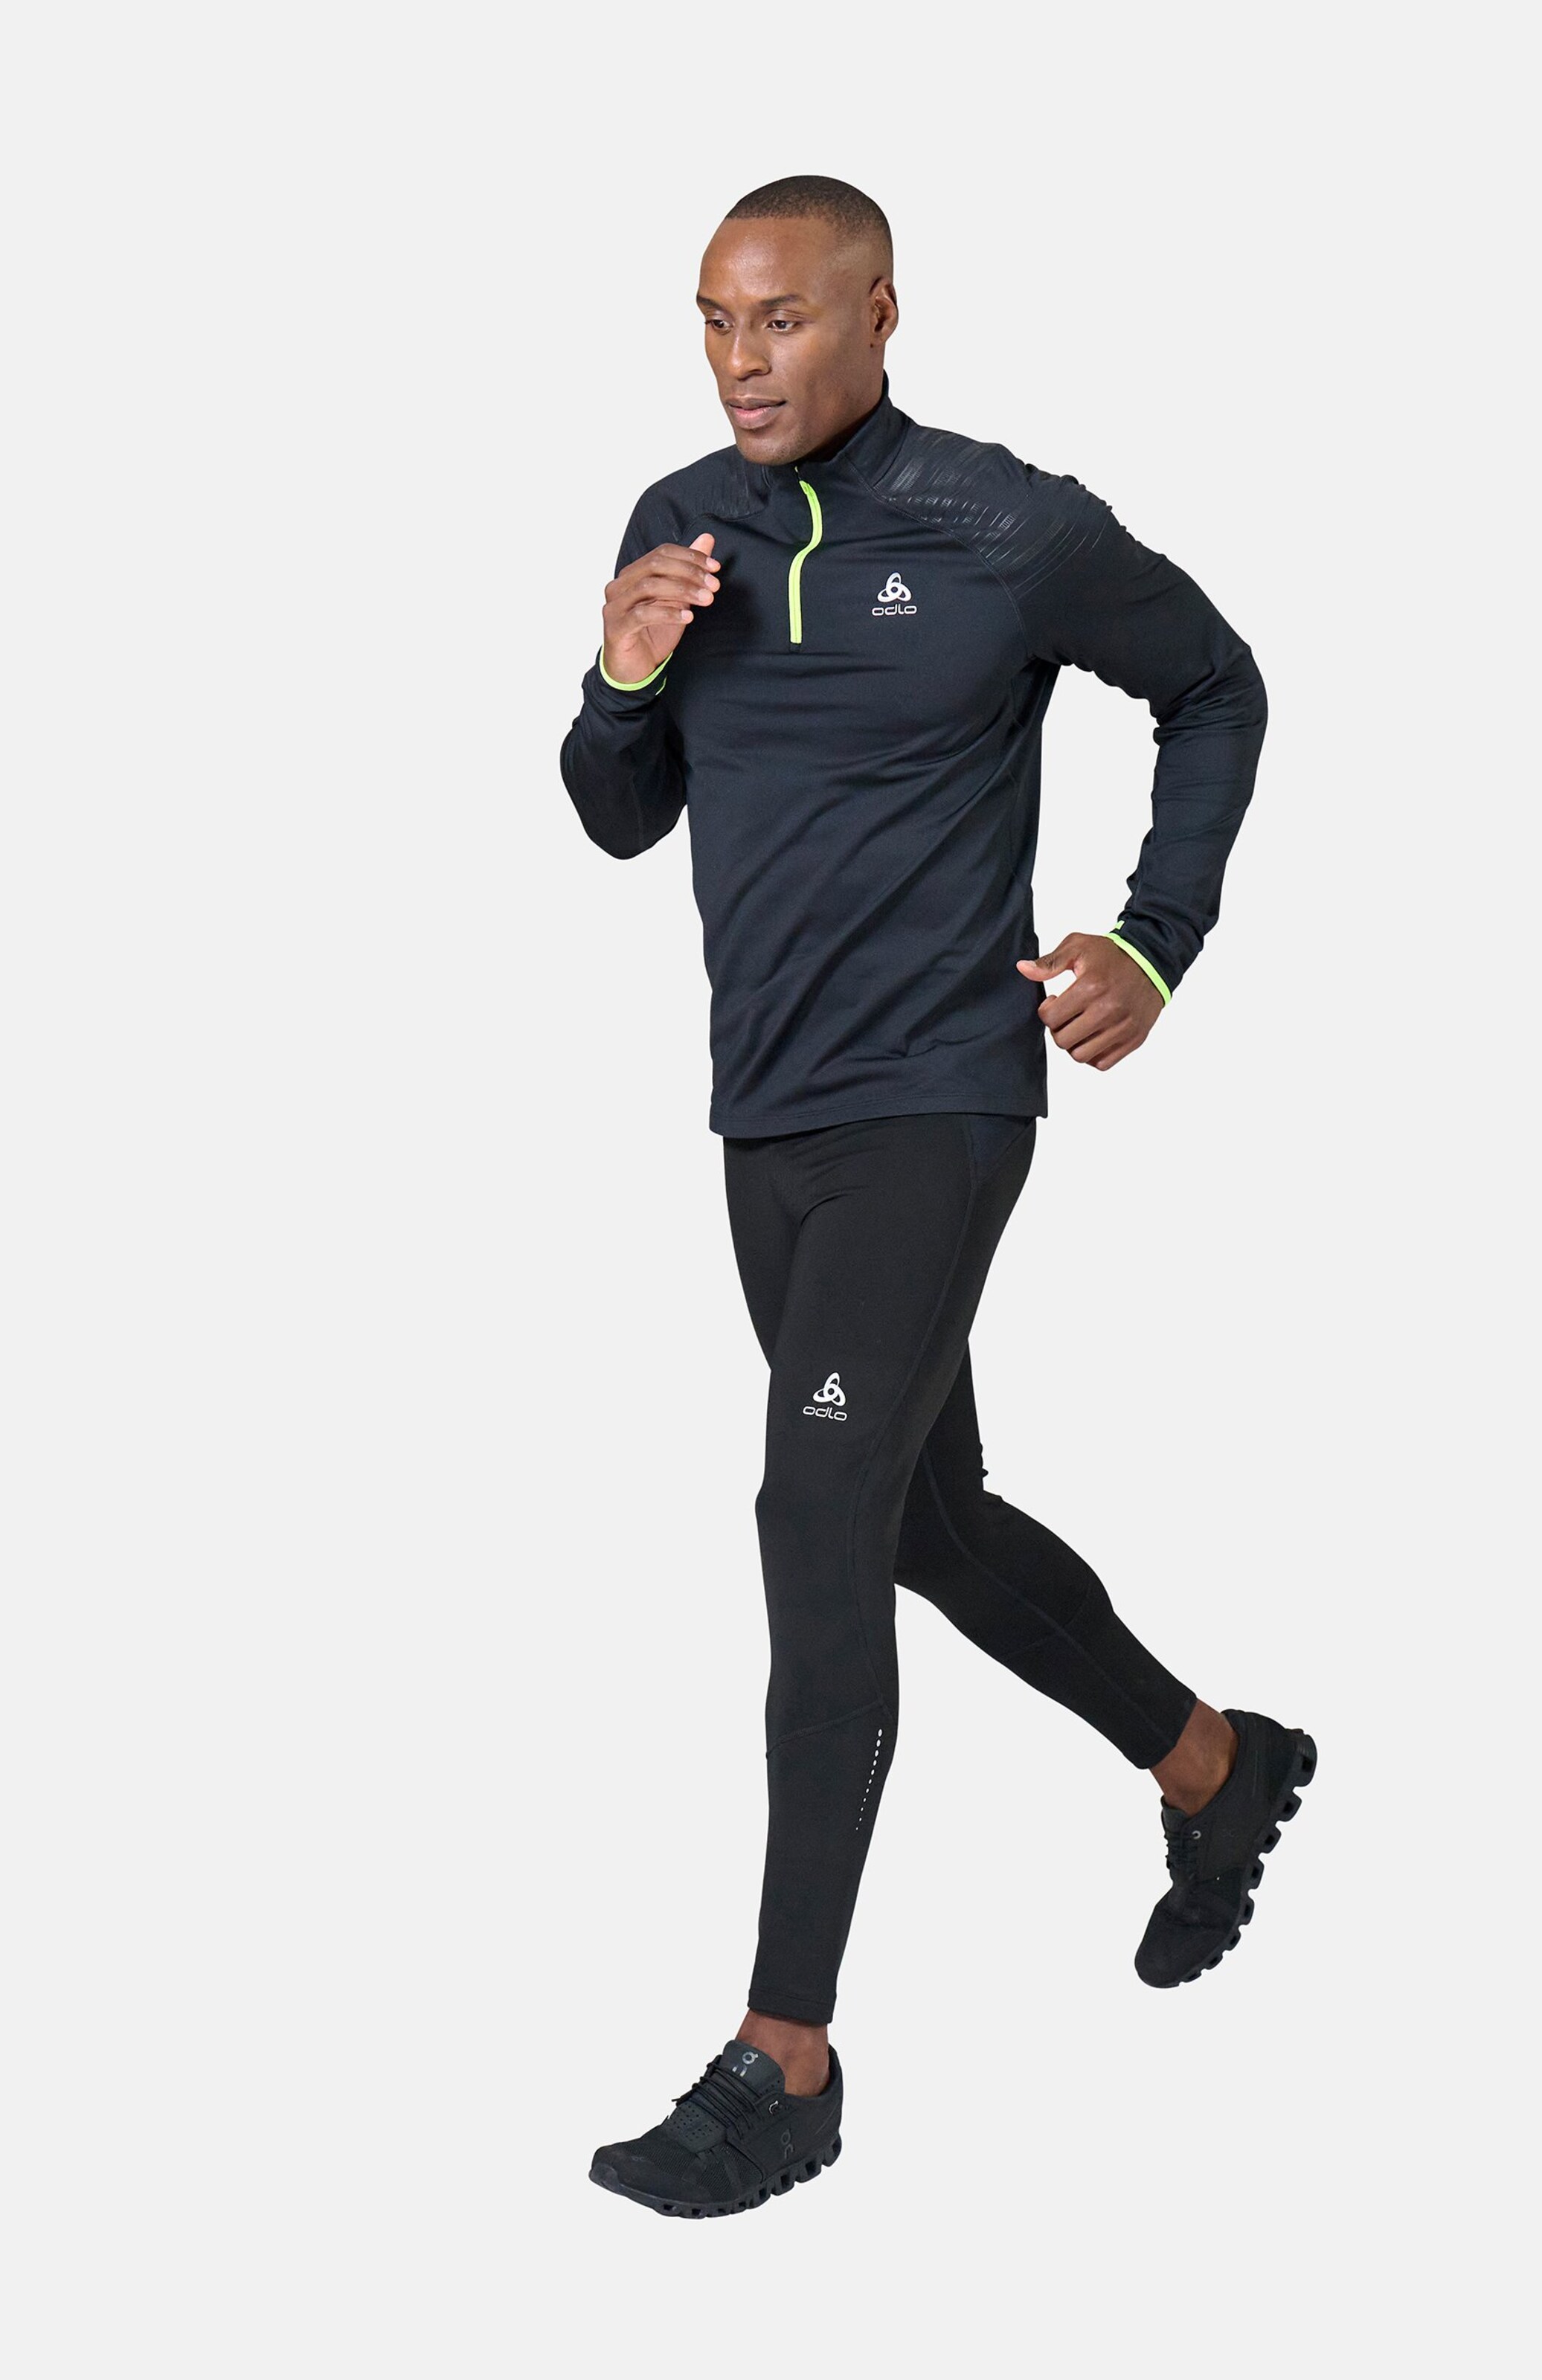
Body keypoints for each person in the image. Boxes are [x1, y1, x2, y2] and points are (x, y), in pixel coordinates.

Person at [563, 175, 1314, 2220]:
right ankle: (1215, 1765)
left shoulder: (1004, 525)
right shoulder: (678, 522)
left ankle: (784, 2059)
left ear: (882, 313)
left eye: (784, 319)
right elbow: (617, 817)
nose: (742, 359)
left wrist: (1155, 938)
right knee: (918, 1518)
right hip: (767, 1116)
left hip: (940, 1103)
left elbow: (1218, 683)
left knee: (814, 1514)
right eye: (715, 320)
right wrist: (620, 677)